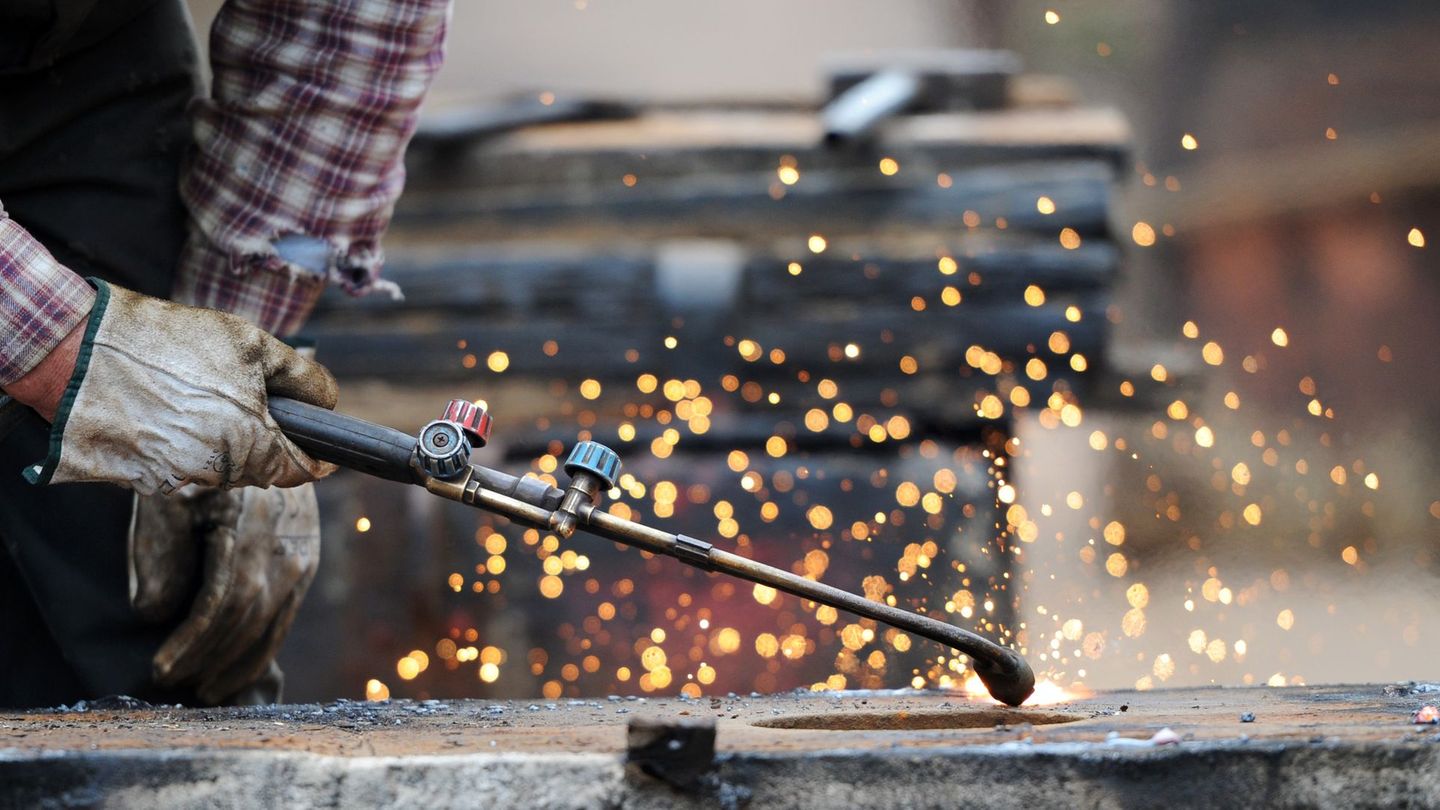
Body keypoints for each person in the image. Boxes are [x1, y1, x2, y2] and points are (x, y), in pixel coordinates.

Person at [0, 0, 450, 707]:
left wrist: (226, 373)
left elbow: (343, 30)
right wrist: (52, 346)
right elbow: (52, 347)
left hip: (76, 72)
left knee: (129, 616)